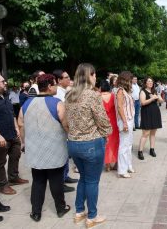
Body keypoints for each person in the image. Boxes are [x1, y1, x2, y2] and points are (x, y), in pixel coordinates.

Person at [18, 74, 71, 222]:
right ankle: (60, 208)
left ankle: (36, 212)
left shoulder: (26, 104)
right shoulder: (57, 103)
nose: (56, 87)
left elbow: (21, 124)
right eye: (54, 85)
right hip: (54, 149)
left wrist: (24, 143)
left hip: (35, 150)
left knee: (38, 180)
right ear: (49, 86)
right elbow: (65, 124)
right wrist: (70, 137)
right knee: (56, 180)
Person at [65, 63, 112, 228]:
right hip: (91, 143)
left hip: (73, 144)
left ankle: (79, 212)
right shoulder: (92, 95)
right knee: (92, 181)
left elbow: (66, 121)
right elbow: (102, 119)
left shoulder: (69, 95)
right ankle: (92, 216)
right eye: (93, 74)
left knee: (83, 178)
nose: (95, 77)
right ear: (88, 76)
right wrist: (108, 132)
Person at [0, 75, 28, 195]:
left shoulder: (5, 96)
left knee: (16, 155)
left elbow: (12, 114)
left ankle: (13, 177)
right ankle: (2, 185)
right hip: (1, 137)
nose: (5, 83)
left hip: (12, 134)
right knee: (0, 162)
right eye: (2, 81)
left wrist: (17, 130)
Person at [53, 69, 78, 193]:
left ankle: (65, 176)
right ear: (59, 80)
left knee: (65, 154)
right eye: (66, 77)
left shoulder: (65, 91)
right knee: (62, 155)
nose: (69, 79)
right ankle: (60, 181)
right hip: (61, 127)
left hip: (67, 126)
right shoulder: (57, 93)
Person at [115, 71, 135, 178]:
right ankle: (122, 170)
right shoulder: (120, 91)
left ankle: (128, 165)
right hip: (125, 120)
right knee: (124, 145)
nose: (131, 81)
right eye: (130, 79)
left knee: (129, 144)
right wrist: (125, 122)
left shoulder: (125, 91)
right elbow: (120, 107)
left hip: (129, 119)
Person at [138, 77, 163, 160]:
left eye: (151, 81)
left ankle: (152, 149)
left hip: (155, 113)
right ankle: (140, 151)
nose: (150, 82)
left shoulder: (154, 91)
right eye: (148, 81)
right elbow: (143, 103)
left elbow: (161, 101)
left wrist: (157, 97)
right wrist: (152, 98)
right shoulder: (143, 91)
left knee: (153, 133)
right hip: (146, 113)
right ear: (145, 83)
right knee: (145, 133)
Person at [100, 80, 119, 171]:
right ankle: (115, 163)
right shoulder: (113, 96)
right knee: (115, 142)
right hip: (113, 121)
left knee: (106, 143)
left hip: (103, 122)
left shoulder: (98, 97)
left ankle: (107, 165)